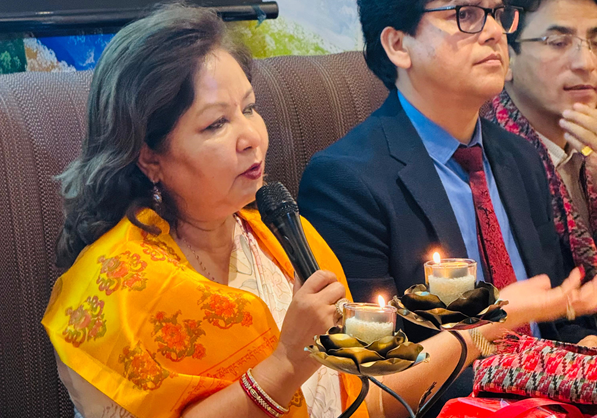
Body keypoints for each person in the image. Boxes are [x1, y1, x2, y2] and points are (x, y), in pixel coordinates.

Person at [42, 4, 596, 418]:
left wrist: (486, 327)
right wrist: (286, 363)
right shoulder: (120, 286)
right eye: (216, 124)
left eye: (250, 109)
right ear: (149, 155)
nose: (251, 137)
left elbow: (373, 391)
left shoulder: (281, 236)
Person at [297, 0, 597, 414]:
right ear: (398, 44)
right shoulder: (345, 182)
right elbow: (370, 381)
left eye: (497, 13)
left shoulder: (521, 157)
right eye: (466, 14)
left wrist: (582, 346)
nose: (494, 32)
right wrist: (539, 367)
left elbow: (556, 315)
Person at [481, 0, 597, 346]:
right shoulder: (489, 162)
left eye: (595, 42)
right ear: (506, 56)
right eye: (558, 42)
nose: (586, 62)